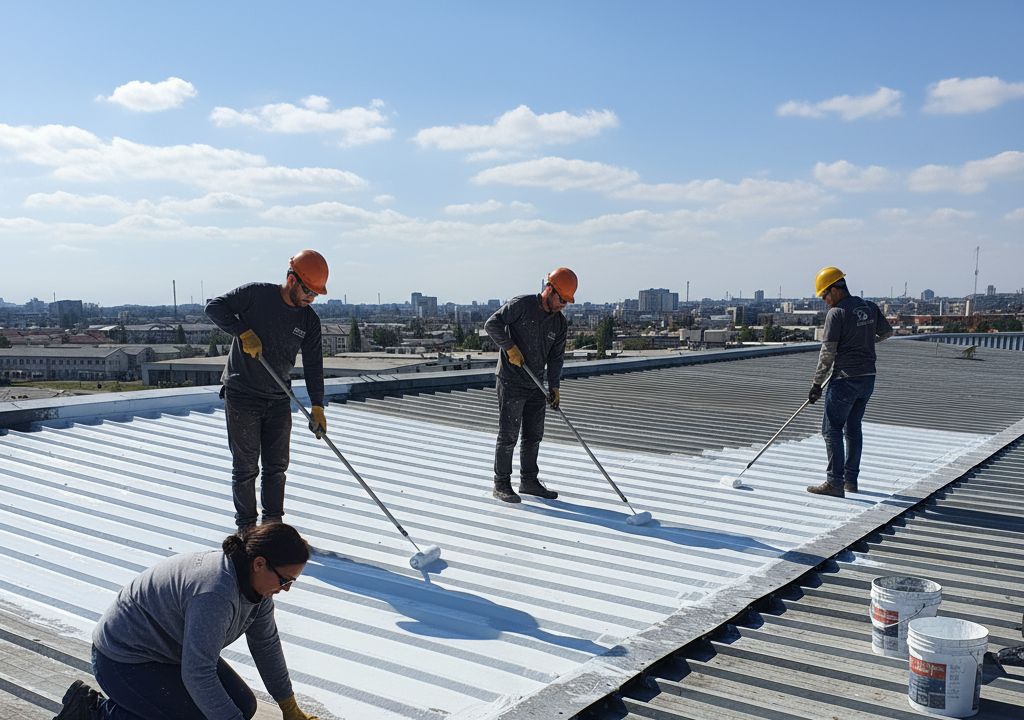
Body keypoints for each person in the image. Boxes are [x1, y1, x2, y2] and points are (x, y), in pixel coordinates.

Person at [52, 523, 318, 720]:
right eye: (285, 580)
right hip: (123, 660)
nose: (286, 589)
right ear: (259, 564)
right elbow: (198, 672)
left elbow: (266, 645)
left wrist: (288, 705)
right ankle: (91, 712)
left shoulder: (256, 587)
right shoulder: (215, 593)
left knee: (243, 706)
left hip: (170, 655)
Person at [206, 250, 329, 530]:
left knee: (276, 468)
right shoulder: (256, 295)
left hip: (278, 399)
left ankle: (273, 527)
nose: (311, 297)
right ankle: (247, 529)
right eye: (308, 290)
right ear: (291, 279)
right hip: (243, 394)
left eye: (316, 294)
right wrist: (242, 331)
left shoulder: (309, 321)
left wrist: (318, 406)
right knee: (246, 468)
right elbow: (214, 307)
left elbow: (313, 366)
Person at [484, 267, 575, 503]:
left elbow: (556, 358)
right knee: (509, 434)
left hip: (537, 383)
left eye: (567, 302)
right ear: (549, 289)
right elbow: (491, 324)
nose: (563, 305)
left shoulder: (559, 324)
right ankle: (502, 483)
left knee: (534, 435)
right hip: (511, 380)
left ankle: (529, 481)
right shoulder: (522, 305)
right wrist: (509, 347)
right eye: (561, 299)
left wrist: (554, 386)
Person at [806, 266, 892, 498]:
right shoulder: (870, 307)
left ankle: (834, 482)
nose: (824, 300)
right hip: (868, 378)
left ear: (834, 289)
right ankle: (850, 481)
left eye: (824, 295)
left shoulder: (837, 313)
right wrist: (864, 342)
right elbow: (887, 332)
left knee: (831, 429)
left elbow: (827, 352)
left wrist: (816, 384)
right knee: (853, 428)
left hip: (845, 379)